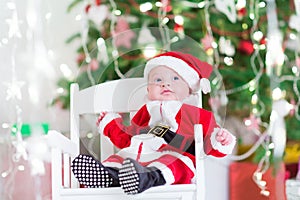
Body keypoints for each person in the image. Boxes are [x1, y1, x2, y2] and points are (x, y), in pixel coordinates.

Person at [71, 51, 236, 195]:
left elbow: (206, 143)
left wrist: (219, 140)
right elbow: (127, 138)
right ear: (148, 90)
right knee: (118, 159)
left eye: (175, 78)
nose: (165, 83)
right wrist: (111, 125)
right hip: (136, 158)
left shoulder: (196, 114)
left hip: (175, 155)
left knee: (172, 164)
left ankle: (145, 178)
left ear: (189, 88)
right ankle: (107, 176)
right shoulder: (144, 113)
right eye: (158, 80)